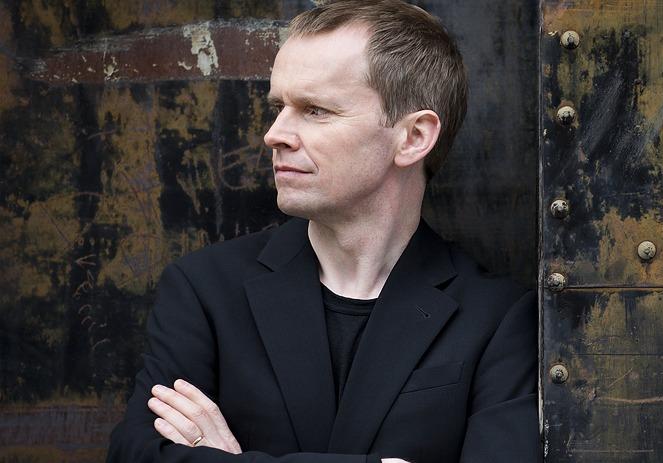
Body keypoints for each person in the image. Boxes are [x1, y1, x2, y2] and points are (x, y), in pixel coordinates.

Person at [107, 1, 539, 462]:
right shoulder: (205, 290)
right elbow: (136, 454)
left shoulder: (497, 317)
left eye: (315, 110)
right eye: (279, 107)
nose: (275, 134)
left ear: (414, 137)